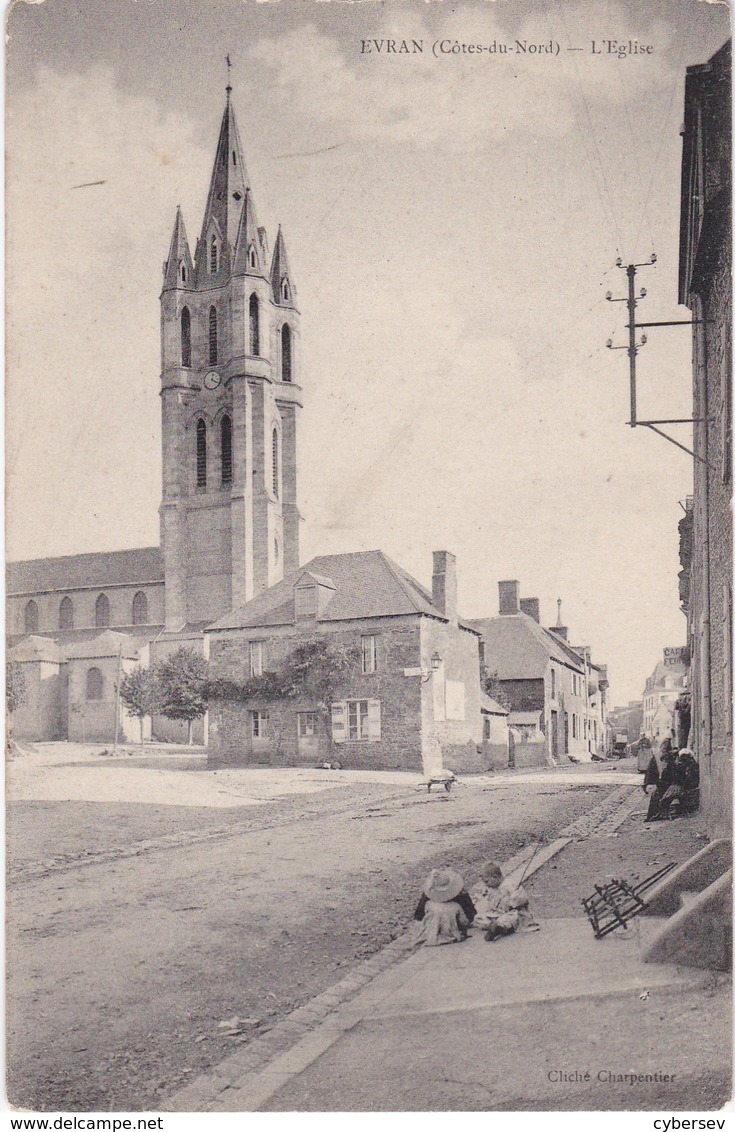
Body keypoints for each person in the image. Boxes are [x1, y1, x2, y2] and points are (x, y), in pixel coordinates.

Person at [471, 860, 539, 941]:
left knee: (510, 918)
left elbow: (521, 900)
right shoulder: (492, 888)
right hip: (498, 914)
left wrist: (514, 901)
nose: (486, 884)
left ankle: (500, 928)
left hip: (514, 914)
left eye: (487, 881)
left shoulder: (510, 885)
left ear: (495, 877)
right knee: (478, 918)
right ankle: (497, 926)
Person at [412, 868, 475, 947]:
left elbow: (420, 917)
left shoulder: (428, 904)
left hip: (430, 936)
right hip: (450, 935)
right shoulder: (456, 906)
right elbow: (464, 922)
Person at [644, 745, 681, 822]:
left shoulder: (668, 769)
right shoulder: (673, 766)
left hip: (672, 788)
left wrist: (657, 783)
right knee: (657, 792)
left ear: (666, 760)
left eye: (664, 761)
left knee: (656, 795)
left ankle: (653, 815)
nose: (663, 763)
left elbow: (665, 782)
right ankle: (656, 814)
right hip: (674, 786)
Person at [669, 747, 700, 817]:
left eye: (684, 758)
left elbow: (691, 779)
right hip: (687, 784)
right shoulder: (687, 765)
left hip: (691, 786)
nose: (682, 761)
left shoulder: (693, 765)